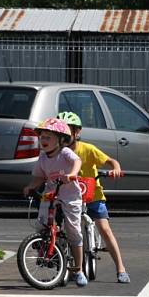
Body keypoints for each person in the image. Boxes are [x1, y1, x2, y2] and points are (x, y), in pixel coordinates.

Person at [57, 111, 130, 284]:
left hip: (92, 195)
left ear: (77, 132)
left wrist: (115, 169)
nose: (65, 135)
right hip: (68, 197)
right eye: (62, 132)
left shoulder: (88, 150)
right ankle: (61, 261)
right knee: (59, 227)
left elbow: (111, 161)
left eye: (69, 131)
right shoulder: (58, 153)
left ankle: (120, 268)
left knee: (104, 228)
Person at [22, 117, 87, 287]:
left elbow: (77, 161)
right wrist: (30, 186)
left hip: (70, 195)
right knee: (41, 224)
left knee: (73, 231)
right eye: (42, 137)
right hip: (51, 194)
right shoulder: (43, 158)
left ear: (60, 140)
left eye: (48, 137)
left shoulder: (64, 153)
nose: (44, 140)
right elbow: (39, 177)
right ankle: (46, 248)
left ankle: (78, 269)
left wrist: (72, 174)